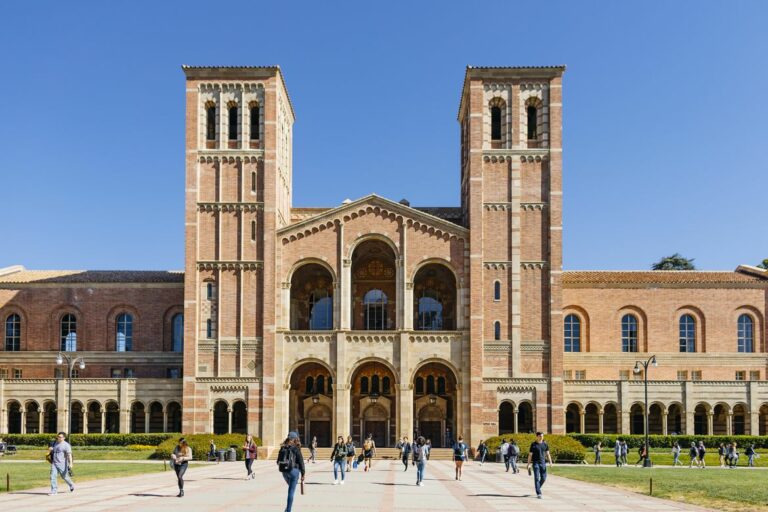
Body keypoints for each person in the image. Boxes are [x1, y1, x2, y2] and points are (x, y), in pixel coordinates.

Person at [277, 431, 305, 512]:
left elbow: (278, 461)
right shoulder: (296, 448)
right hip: (294, 471)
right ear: (295, 438)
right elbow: (301, 462)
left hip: (284, 471)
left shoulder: (283, 447)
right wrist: (303, 474)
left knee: (291, 488)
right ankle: (288, 510)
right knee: (291, 491)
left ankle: (287, 509)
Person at [526, 432, 553, 500]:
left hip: (543, 463)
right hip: (535, 463)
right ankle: (539, 493)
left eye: (542, 436)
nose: (541, 437)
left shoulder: (545, 444)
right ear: (537, 436)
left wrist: (550, 462)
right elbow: (530, 455)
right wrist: (528, 464)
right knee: (537, 478)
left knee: (544, 478)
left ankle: (537, 487)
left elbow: (548, 454)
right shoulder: (533, 444)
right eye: (540, 436)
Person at [48, 432, 75, 496]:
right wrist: (50, 449)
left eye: (60, 437)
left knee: (65, 477)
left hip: (62, 464)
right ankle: (54, 491)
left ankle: (71, 484)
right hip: (54, 463)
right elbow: (52, 450)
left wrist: (71, 463)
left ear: (64, 438)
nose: (59, 438)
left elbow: (69, 455)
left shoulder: (66, 445)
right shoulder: (55, 443)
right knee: (52, 476)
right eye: (58, 436)